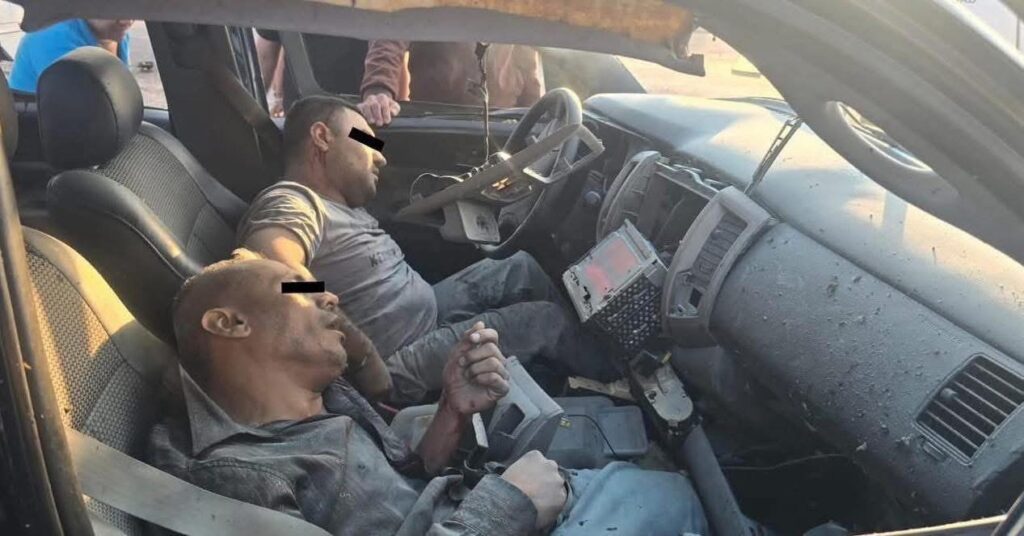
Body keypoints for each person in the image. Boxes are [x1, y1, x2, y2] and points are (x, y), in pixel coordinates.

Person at [147, 252, 709, 536]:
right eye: (300, 287)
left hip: (480, 507)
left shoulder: (325, 402)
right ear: (229, 324)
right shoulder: (233, 482)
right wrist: (507, 505)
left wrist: (451, 411)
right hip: (496, 515)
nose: (330, 297)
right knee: (685, 500)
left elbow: (402, 486)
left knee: (673, 486)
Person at [238, 96, 615, 404]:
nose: (381, 157)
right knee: (545, 321)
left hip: (427, 313)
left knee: (522, 268)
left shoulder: (340, 206)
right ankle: (620, 380)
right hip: (395, 362)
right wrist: (362, 354)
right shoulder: (292, 201)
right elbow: (275, 276)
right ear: (322, 137)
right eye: (368, 141)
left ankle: (587, 352)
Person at [358, 41, 544, 126]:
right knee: (362, 139)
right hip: (434, 126)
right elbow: (390, 33)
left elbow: (529, 72)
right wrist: (379, 90)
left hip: (503, 131)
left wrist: (539, 120)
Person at [10, 19, 133, 93]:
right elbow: (80, 108)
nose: (127, 21)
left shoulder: (115, 35)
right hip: (35, 125)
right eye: (114, 8)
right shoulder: (53, 36)